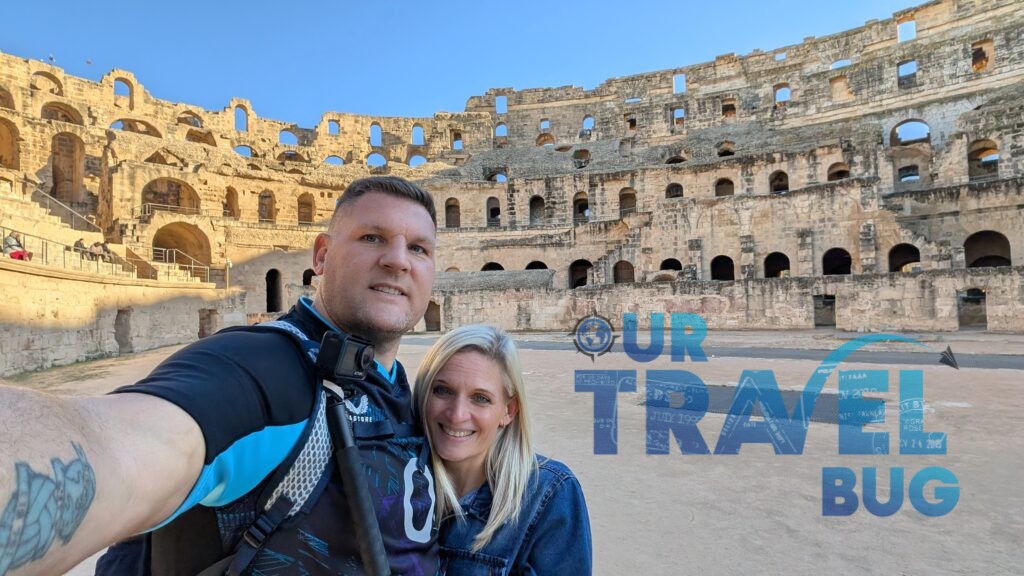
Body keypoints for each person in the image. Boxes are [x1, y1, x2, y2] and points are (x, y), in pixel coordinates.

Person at [0, 176, 440, 575]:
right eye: (372, 237)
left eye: (418, 248)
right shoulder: (260, 368)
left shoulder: (405, 390)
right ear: (321, 256)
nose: (398, 260)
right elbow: (114, 446)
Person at [413, 324, 593, 575]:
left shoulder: (548, 495)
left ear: (508, 411)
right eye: (443, 390)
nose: (457, 415)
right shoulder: (394, 481)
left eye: (481, 398)